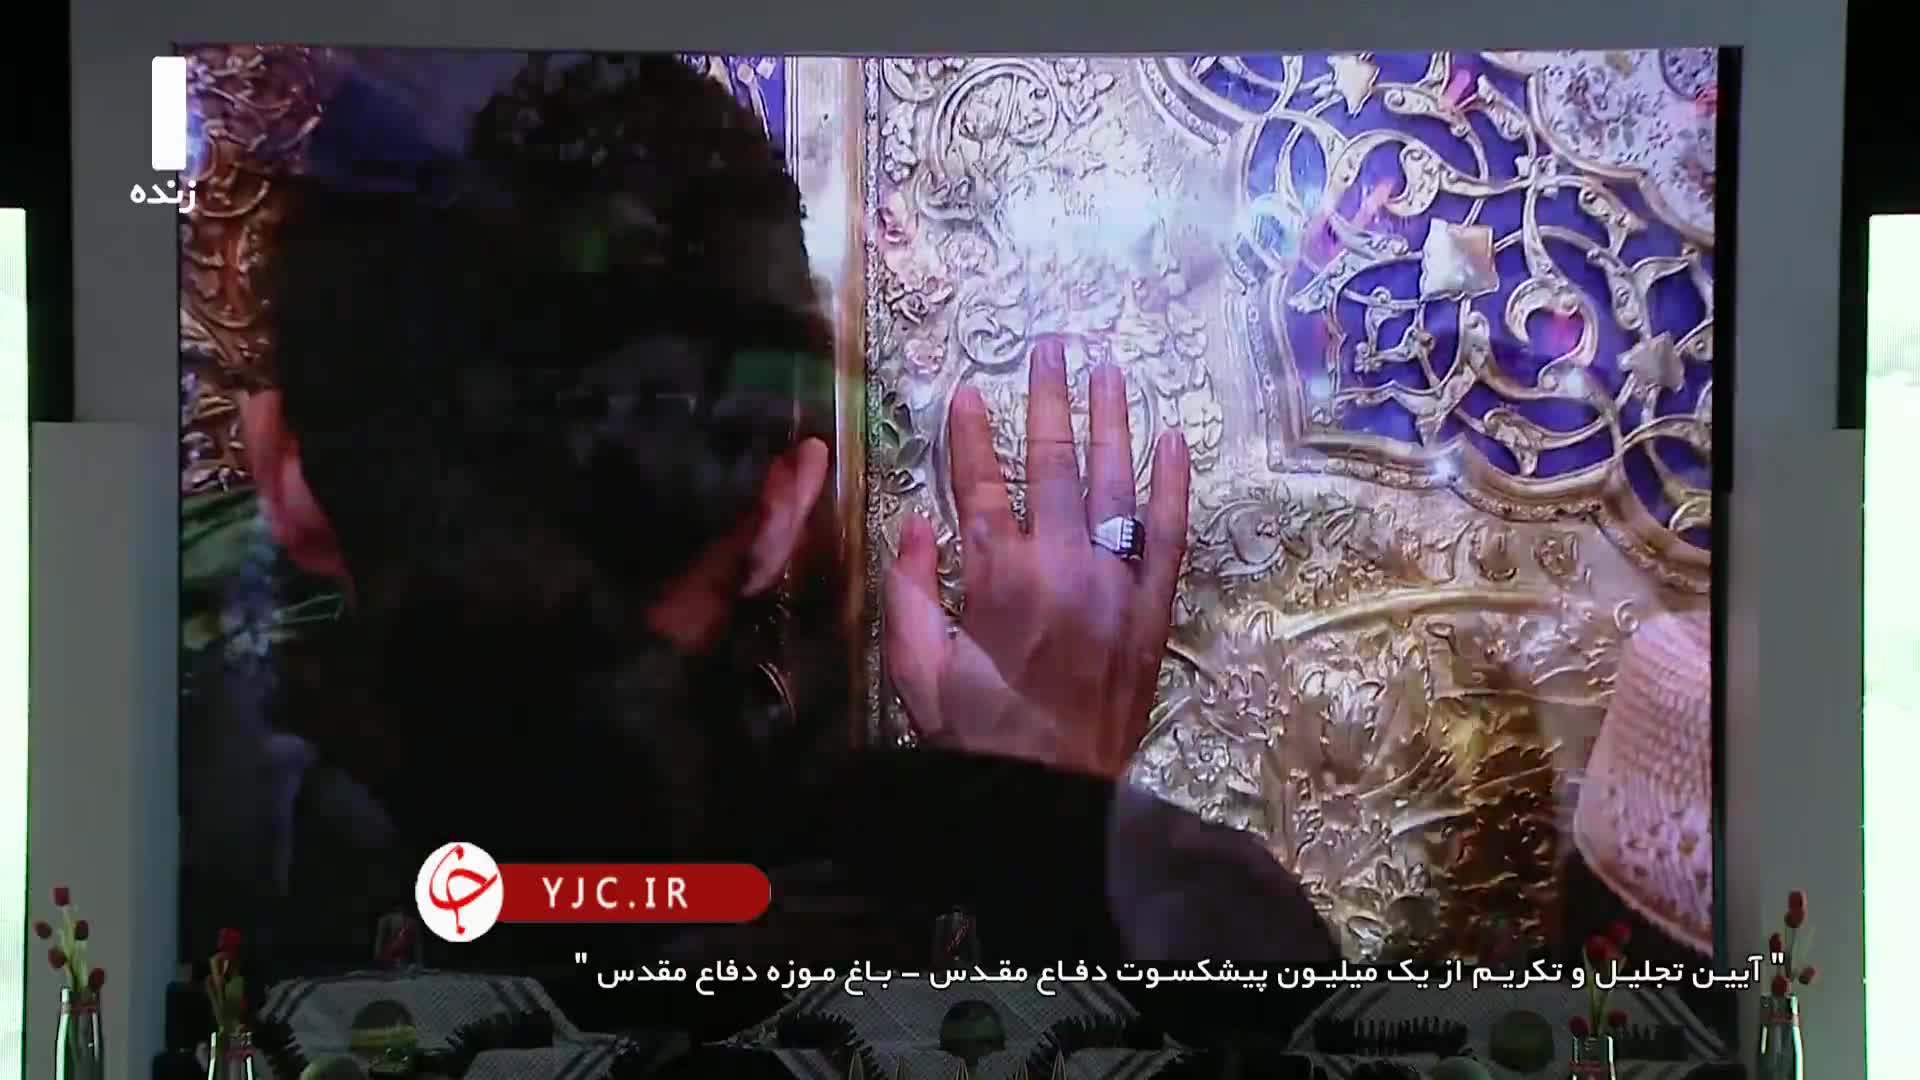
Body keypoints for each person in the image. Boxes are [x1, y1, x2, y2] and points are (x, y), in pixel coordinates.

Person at [197, 53, 1335, 1042]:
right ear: (785, 507)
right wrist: (1047, 846)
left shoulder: (167, 911)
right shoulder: (1191, 922)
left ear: (283, 469)